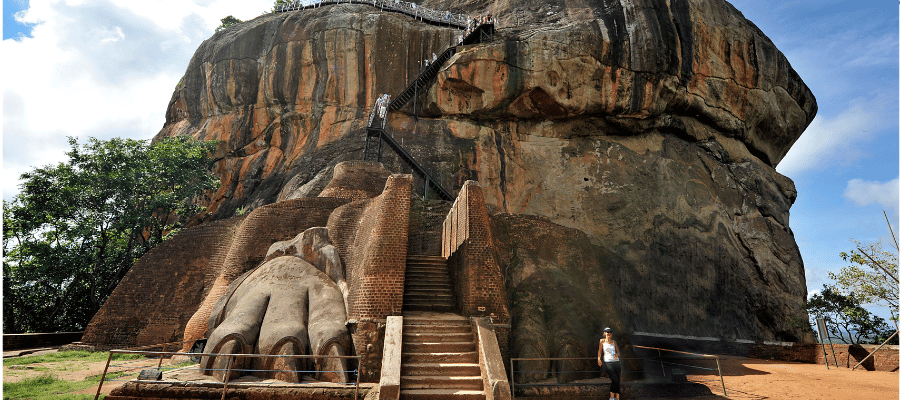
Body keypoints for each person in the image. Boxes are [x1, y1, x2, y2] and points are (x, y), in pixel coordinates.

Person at [598, 327, 622, 400]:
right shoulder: (602, 341)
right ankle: (611, 398)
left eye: (610, 332)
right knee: (614, 380)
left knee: (618, 380)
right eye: (607, 332)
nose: (609, 333)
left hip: (616, 362)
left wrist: (617, 355)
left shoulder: (614, 342)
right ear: (604, 333)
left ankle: (617, 398)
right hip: (608, 362)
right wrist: (599, 359)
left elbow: (618, 352)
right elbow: (599, 351)